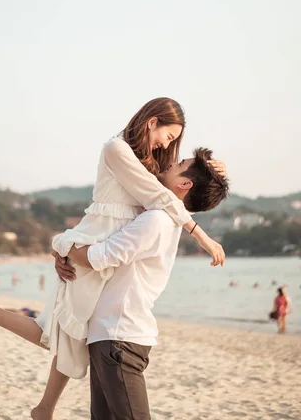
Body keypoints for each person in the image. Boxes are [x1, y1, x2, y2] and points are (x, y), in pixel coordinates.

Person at [0, 98, 228, 420]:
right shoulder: (117, 149)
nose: (168, 148)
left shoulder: (149, 164)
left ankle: (43, 407)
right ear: (152, 122)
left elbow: (186, 187)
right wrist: (201, 234)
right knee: (63, 332)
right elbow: (164, 196)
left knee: (74, 333)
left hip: (106, 248)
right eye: (168, 138)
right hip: (95, 240)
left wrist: (214, 167)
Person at [55, 149, 229, 419]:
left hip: (119, 339)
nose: (172, 161)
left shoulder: (156, 220)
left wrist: (61, 243)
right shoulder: (161, 216)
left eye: (180, 163)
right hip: (114, 338)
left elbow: (97, 257)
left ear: (185, 184)